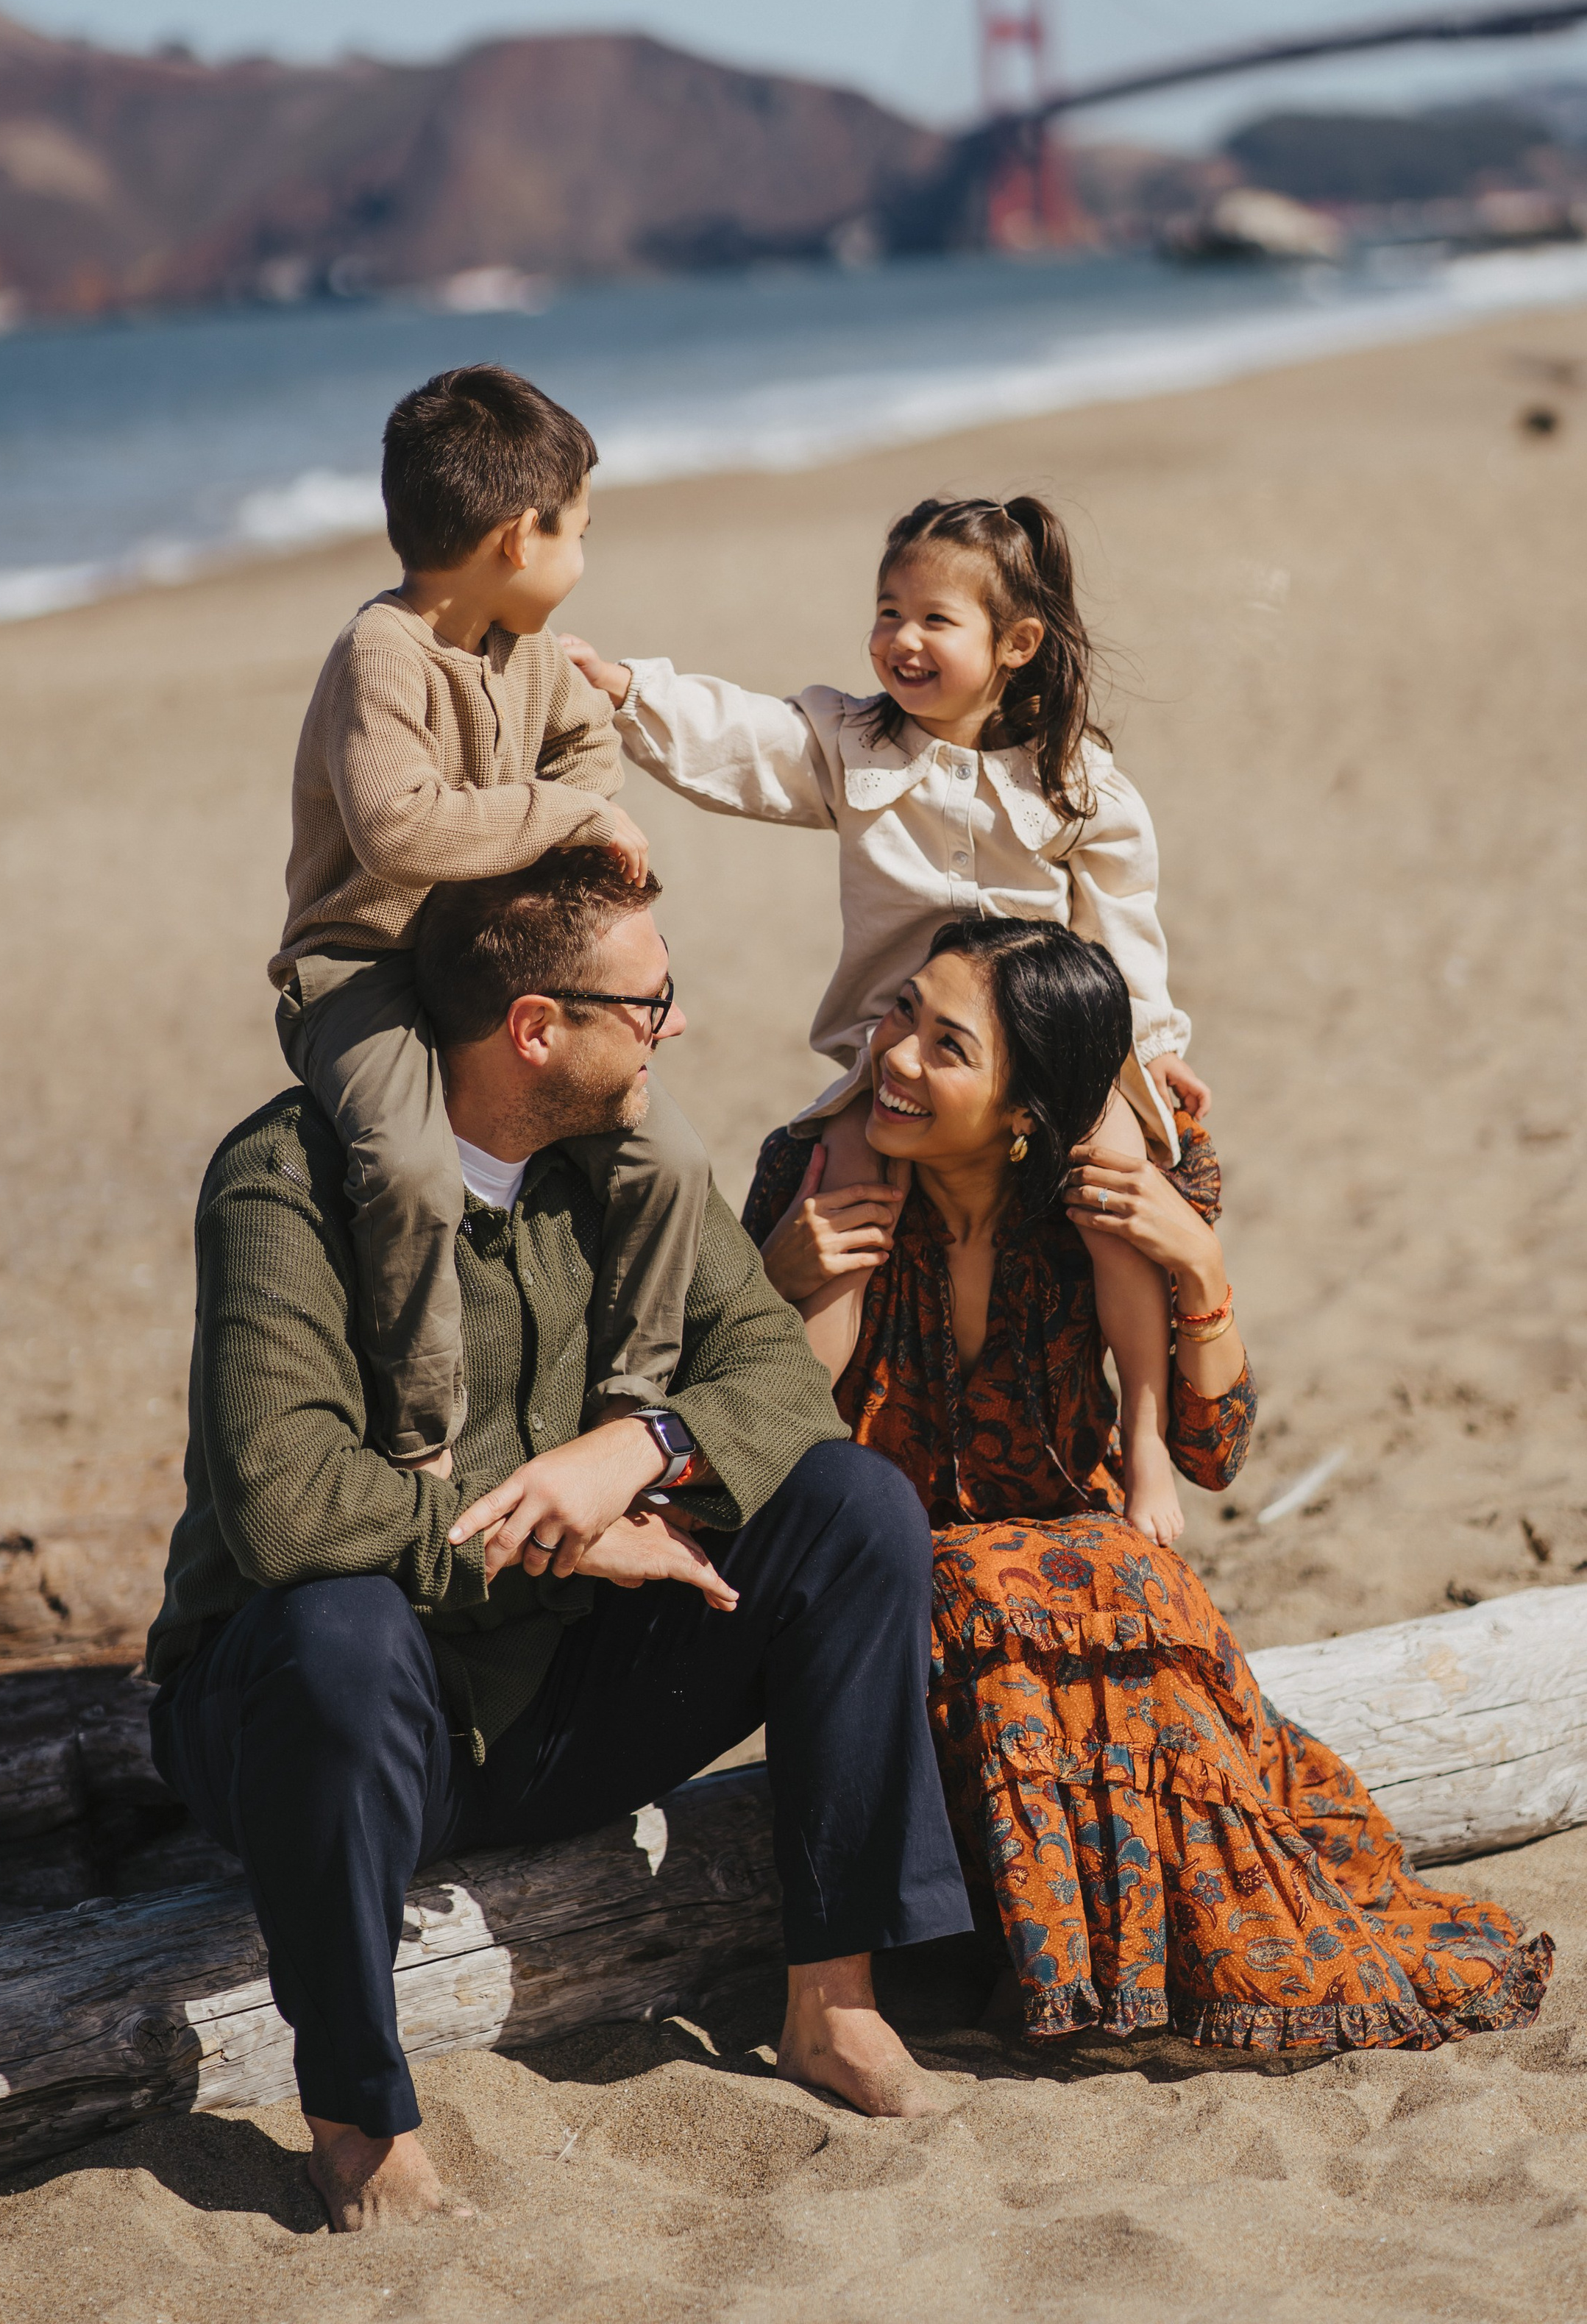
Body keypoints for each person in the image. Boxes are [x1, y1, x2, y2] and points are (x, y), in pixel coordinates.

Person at [149, 850, 974, 2233]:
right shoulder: (284, 1178)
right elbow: (287, 1504)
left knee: (855, 1511)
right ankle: (357, 2117)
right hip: (333, 1726)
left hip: (558, 1701)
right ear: (538, 1027)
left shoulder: (629, 1174)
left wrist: (636, 1451)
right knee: (337, 1627)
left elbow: (774, 1374)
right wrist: (563, 1535)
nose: (679, 1025)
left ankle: (834, 2004)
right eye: (651, 1002)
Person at [745, 913, 1553, 2057]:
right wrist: (779, 1278)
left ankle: (1124, 1973)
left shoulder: (1117, 1192)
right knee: (1003, 1584)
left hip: (1080, 1593)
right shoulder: (815, 1171)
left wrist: (1204, 1267)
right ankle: (1046, 1966)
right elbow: (771, 1447)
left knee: (1133, 1584)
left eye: (947, 1045)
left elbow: (1213, 1455)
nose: (897, 1056)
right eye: (902, 1013)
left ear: (1028, 1115)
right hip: (884, 1599)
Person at [564, 492, 1201, 1548]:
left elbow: (1124, 928)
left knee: (1117, 1194)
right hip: (895, 1056)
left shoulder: (1079, 785)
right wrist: (630, 691)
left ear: (1017, 644)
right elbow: (745, 738)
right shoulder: (853, 745)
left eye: (934, 620)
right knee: (845, 1214)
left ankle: (1141, 1439)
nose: (901, 640)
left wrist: (1160, 1051)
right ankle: (789, 1459)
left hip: (1042, 1055)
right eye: (887, 609)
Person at [270, 361, 711, 1475]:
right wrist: (567, 813)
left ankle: (629, 1406)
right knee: (412, 1171)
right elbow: (403, 834)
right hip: (363, 966)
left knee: (670, 1157)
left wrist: (571, 819)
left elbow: (592, 750)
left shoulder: (530, 658)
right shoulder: (382, 655)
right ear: (521, 539)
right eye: (582, 533)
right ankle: (424, 1443)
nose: (582, 557)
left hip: (489, 958)